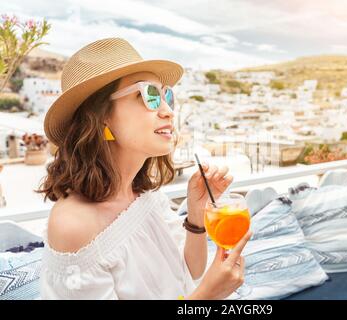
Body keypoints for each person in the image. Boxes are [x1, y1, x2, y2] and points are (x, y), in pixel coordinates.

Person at [37, 38, 251, 299]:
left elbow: (189, 271)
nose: (168, 111)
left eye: (166, 96)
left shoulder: (145, 197)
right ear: (101, 115)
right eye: (148, 95)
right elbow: (197, 290)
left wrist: (196, 215)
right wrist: (206, 297)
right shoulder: (74, 226)